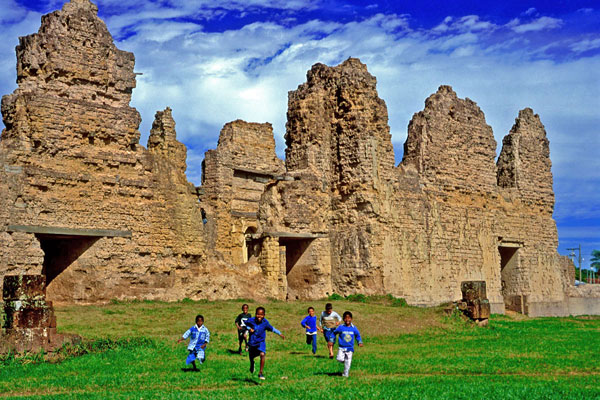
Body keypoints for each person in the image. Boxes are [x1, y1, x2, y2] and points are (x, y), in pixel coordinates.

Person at [245, 306, 285, 380]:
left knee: (262, 354)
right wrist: (249, 329)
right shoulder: (251, 320)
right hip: (252, 341)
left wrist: (279, 333)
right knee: (251, 356)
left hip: (261, 341)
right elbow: (245, 324)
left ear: (264, 315)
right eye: (257, 314)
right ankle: (252, 364)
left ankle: (260, 373)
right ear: (255, 314)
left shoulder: (265, 323)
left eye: (261, 314)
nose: (259, 316)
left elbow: (272, 328)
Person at [333, 311, 363, 377]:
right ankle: (345, 361)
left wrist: (359, 342)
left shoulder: (353, 328)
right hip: (341, 347)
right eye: (345, 318)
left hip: (350, 348)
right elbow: (334, 333)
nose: (347, 320)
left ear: (351, 319)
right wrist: (331, 340)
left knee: (348, 363)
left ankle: (345, 374)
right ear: (343, 319)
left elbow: (357, 335)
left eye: (349, 318)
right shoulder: (341, 327)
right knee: (339, 359)